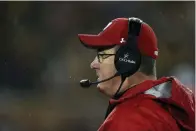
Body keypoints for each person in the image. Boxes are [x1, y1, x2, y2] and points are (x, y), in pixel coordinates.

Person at [78, 17, 195, 131]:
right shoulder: (178, 107)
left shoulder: (130, 121)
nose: (93, 64)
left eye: (102, 55)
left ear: (126, 61)